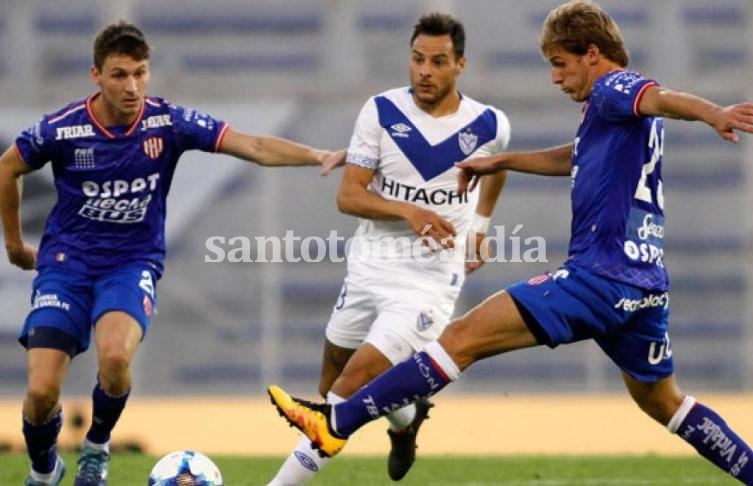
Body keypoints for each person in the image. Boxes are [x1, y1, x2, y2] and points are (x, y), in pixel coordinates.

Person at [267, 1, 753, 484]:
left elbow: (659, 96)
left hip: (599, 276)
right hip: (645, 285)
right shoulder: (610, 116)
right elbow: (577, 157)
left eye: (559, 65)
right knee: (664, 402)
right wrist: (502, 162)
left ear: (590, 53)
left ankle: (336, 422)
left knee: (459, 339)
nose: (556, 79)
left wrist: (714, 114)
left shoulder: (612, 87)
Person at [0, 21, 344, 486]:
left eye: (141, 73)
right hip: (66, 267)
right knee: (41, 391)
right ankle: (44, 471)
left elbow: (254, 145)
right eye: (120, 75)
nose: (133, 86)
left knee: (116, 357)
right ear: (96, 75)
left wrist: (316, 154)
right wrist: (16, 244)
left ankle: (97, 447)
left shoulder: (168, 121)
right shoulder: (64, 129)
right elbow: (8, 167)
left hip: (130, 264)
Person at [266, 12, 510, 486]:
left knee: (342, 393)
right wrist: (410, 212)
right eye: (418, 59)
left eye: (438, 62)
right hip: (368, 269)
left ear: (460, 64)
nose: (425, 71)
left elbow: (496, 166)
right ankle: (406, 420)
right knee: (330, 381)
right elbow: (349, 195)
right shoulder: (380, 111)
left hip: (428, 283)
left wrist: (479, 226)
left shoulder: (489, 124)